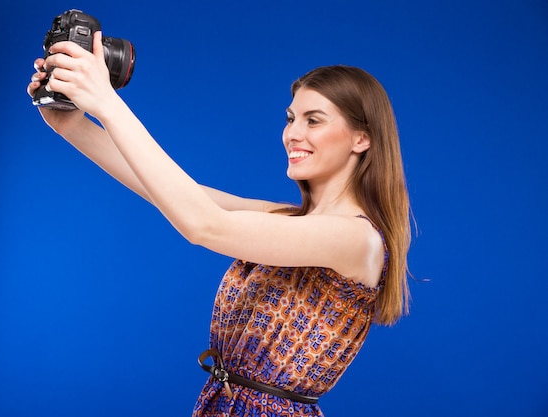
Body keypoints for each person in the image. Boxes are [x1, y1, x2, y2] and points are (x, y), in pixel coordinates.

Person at [27, 31, 411, 417]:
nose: (293, 133)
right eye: (291, 118)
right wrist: (73, 126)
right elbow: (171, 191)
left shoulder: (357, 238)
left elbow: (203, 225)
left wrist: (108, 103)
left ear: (361, 139)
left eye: (314, 120)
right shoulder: (288, 220)